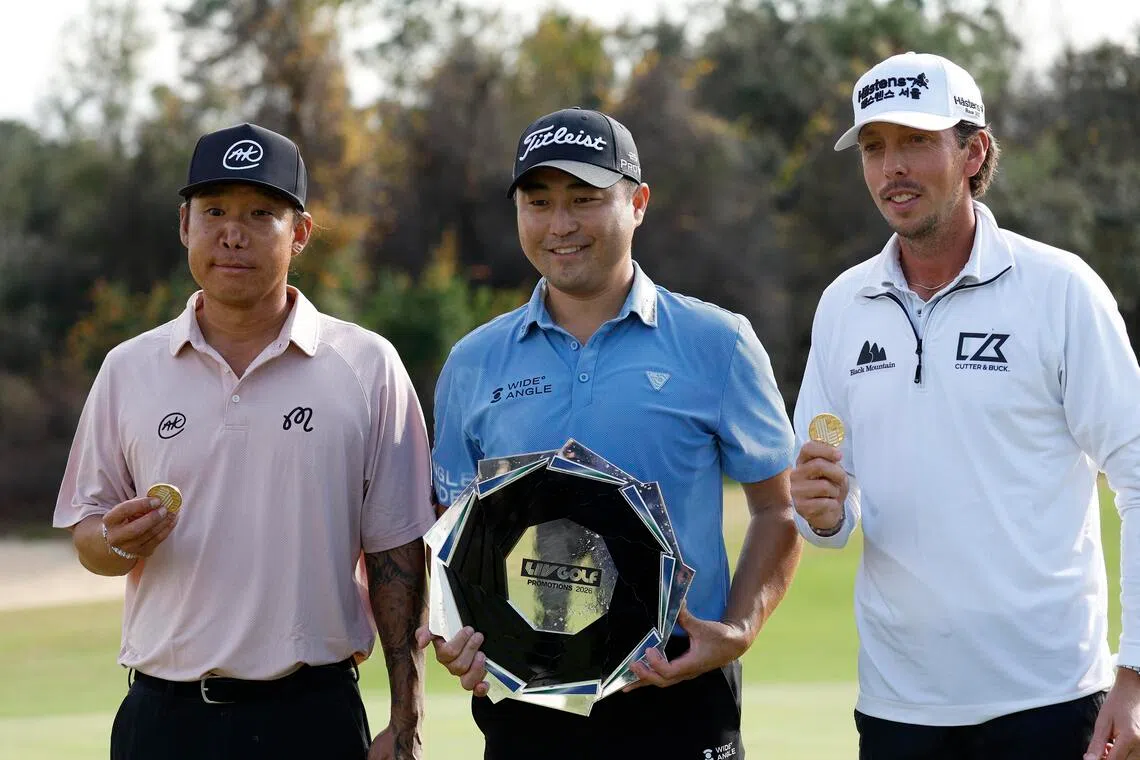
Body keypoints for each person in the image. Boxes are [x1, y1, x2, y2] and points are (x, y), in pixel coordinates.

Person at [418, 106, 802, 759]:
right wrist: (452, 632)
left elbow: (778, 506)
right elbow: (450, 524)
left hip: (677, 692)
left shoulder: (719, 343)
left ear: (639, 203)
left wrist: (739, 626)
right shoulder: (473, 362)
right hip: (526, 705)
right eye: (538, 202)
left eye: (585, 200)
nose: (560, 224)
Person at [791, 51, 1140, 760]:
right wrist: (822, 512)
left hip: (1051, 701)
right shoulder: (842, 306)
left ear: (973, 151)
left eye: (917, 142)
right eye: (874, 147)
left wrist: (1134, 674)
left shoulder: (1060, 290)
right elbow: (829, 509)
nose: (892, 168)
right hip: (897, 706)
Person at [53, 122, 435, 760]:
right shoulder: (128, 367)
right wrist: (118, 542)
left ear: (301, 234)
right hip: (163, 719)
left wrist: (406, 719)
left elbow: (398, 551)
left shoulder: (367, 366)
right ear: (185, 226)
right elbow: (89, 536)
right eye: (215, 212)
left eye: (262, 213)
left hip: (309, 716)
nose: (233, 233)